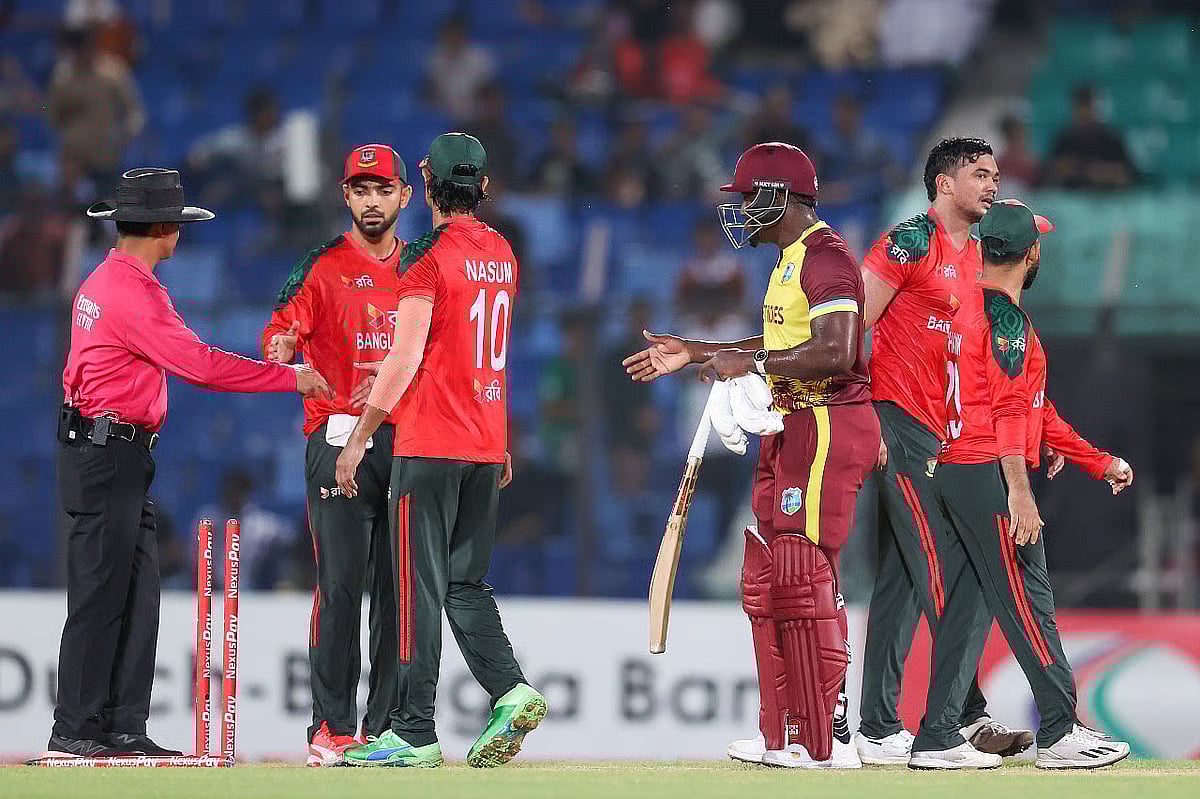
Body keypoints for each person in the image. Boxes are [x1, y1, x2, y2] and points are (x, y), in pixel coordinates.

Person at [48, 168, 330, 759]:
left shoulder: (103, 281)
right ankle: (76, 731)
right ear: (160, 228)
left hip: (109, 452)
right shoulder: (135, 292)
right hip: (109, 454)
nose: (179, 233)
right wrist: (292, 378)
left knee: (134, 593)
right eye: (174, 223)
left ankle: (119, 728)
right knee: (105, 596)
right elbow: (200, 365)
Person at [624, 142, 876, 768]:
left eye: (745, 198)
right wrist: (698, 350)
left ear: (777, 196)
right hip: (793, 423)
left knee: (803, 574)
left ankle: (831, 737)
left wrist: (754, 363)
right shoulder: (793, 258)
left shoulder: (826, 256)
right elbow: (780, 341)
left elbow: (840, 349)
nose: (738, 211)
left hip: (826, 423)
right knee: (774, 577)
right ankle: (788, 734)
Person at [335, 133, 546, 768]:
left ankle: (413, 731)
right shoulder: (504, 252)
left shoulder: (425, 254)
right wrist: (499, 437)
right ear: (483, 187)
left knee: (414, 590)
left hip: (428, 444)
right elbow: (486, 351)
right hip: (484, 442)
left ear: (424, 186)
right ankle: (510, 690)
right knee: (464, 582)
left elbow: (405, 356)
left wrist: (365, 432)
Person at [920, 200, 1133, 769]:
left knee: (967, 607)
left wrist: (1094, 461)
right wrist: (1019, 488)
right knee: (1028, 601)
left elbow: (1031, 408)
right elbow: (1014, 410)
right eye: (1040, 241)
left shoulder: (962, 308)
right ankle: (1061, 732)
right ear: (1030, 252)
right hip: (989, 473)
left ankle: (936, 737)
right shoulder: (1007, 319)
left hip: (951, 469)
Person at [855, 138, 1034, 766]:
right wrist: (865, 418)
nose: (991, 186)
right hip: (897, 427)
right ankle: (966, 720)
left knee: (903, 579)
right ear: (943, 183)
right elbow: (854, 327)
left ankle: (876, 728)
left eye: (994, 175)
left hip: (944, 437)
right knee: (945, 569)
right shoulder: (908, 241)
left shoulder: (976, 257)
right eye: (980, 175)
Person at [260, 144, 414, 765]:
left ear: (405, 195)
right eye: (360, 190)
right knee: (342, 586)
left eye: (383, 190)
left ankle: (385, 730)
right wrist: (281, 345)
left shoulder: (423, 268)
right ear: (345, 196)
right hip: (337, 438)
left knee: (396, 593)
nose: (371, 201)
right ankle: (329, 727)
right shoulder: (322, 266)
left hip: (407, 442)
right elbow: (281, 326)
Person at [1044, 85, 1136, 190]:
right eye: (1082, 108)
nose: (1085, 114)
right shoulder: (1065, 140)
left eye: (1089, 108)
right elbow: (1048, 176)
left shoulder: (1112, 141)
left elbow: (1130, 176)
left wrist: (1107, 173)